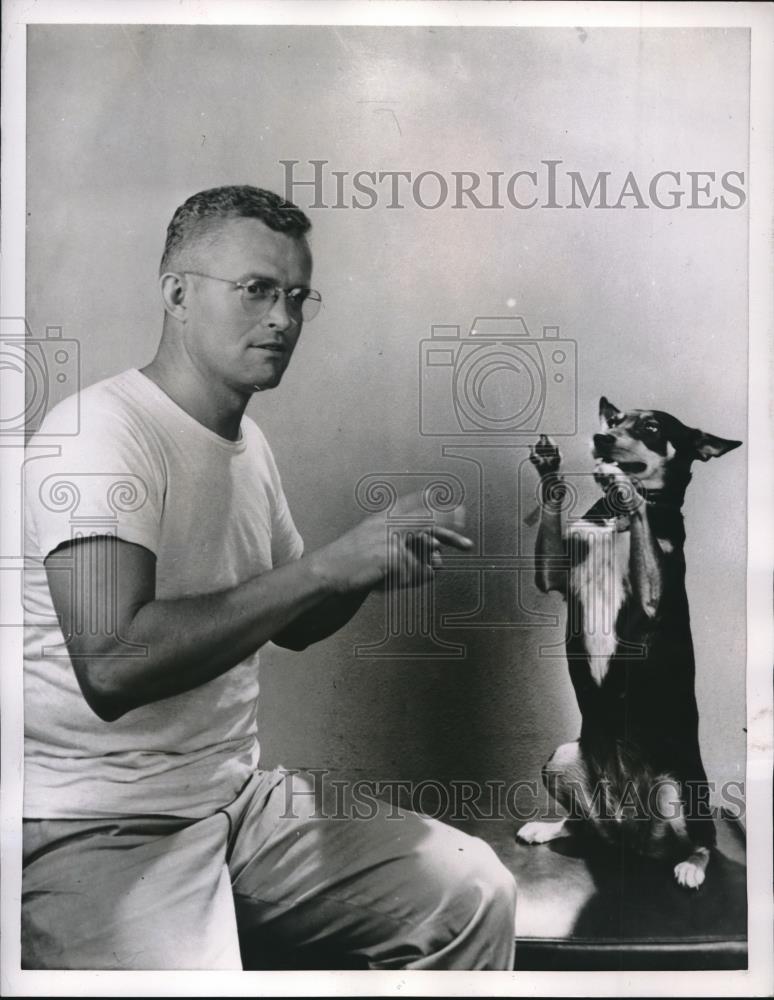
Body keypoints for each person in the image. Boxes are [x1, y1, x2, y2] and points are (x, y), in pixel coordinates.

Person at [22, 185, 517, 971]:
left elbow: (291, 619)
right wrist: (328, 564)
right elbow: (113, 665)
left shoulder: (247, 444)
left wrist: (363, 572)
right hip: (95, 820)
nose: (284, 318)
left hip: (233, 801)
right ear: (177, 294)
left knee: (472, 894)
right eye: (256, 290)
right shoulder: (100, 434)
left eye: (296, 296)